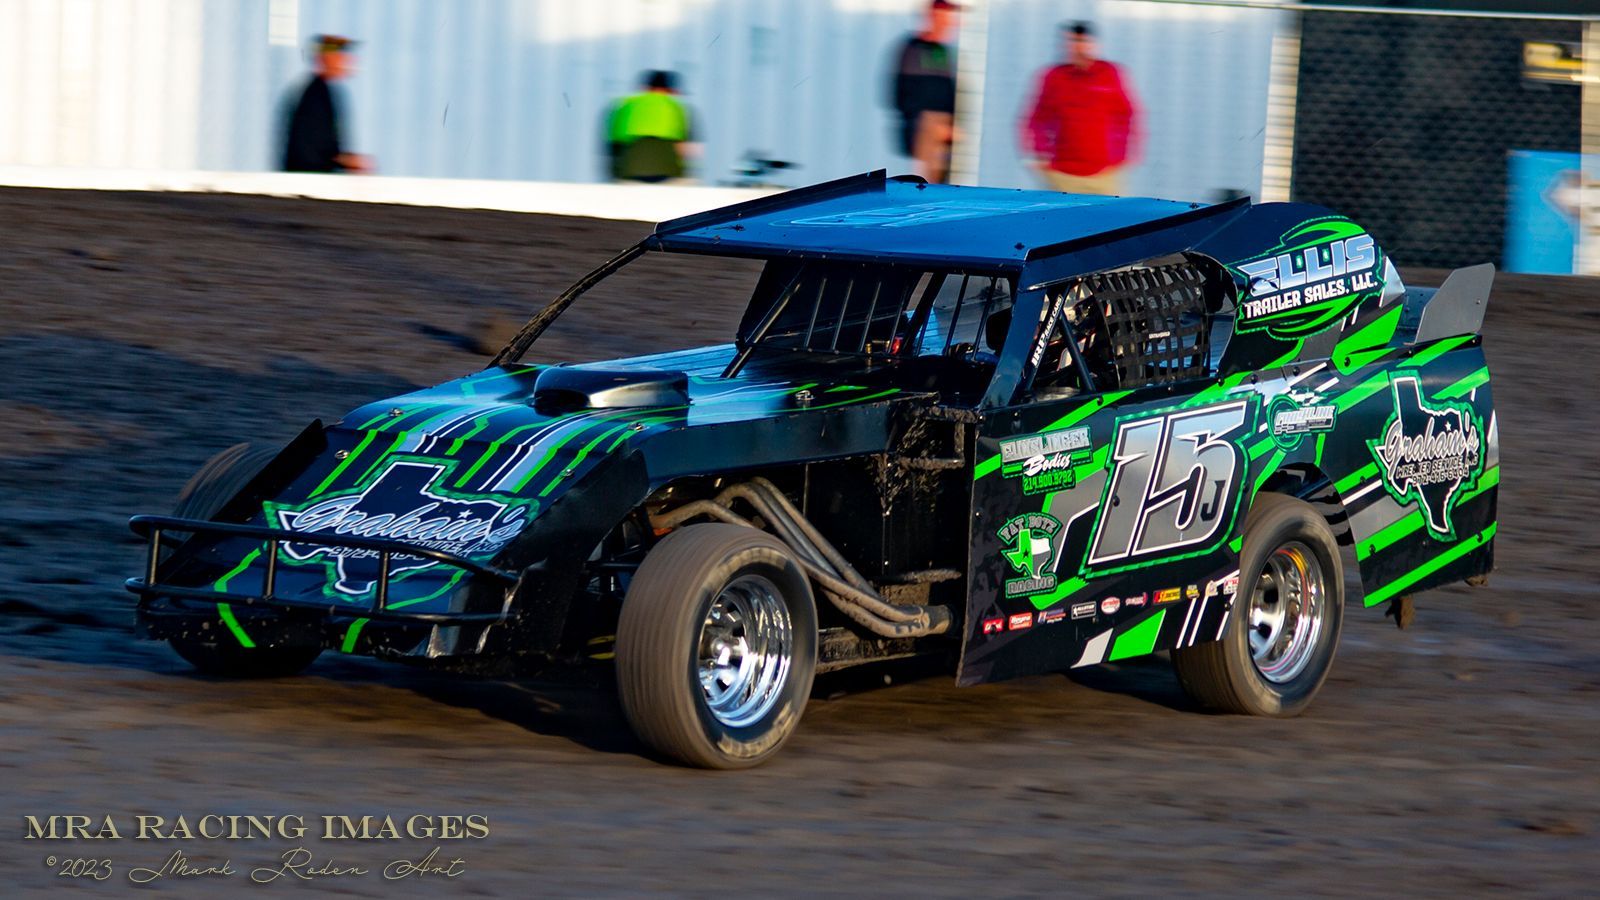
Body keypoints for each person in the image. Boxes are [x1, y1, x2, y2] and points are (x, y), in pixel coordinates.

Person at [1021, 21, 1139, 195]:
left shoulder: (1110, 74)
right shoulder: (1054, 77)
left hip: (1103, 174)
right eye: (1073, 42)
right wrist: (1039, 153)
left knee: (1111, 220)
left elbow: (1127, 115)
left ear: (1094, 45)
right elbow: (1036, 119)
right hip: (1062, 175)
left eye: (1083, 42)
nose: (1078, 48)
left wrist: (1122, 155)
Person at [889, 0, 959, 184]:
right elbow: (906, 91)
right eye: (945, 18)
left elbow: (947, 90)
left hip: (942, 125)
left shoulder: (942, 51)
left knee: (943, 177)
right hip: (926, 124)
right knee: (928, 180)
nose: (950, 24)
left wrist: (952, 122)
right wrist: (928, 123)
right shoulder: (913, 49)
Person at [282, 35, 372, 173]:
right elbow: (310, 150)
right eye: (341, 55)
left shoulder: (321, 91)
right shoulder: (315, 95)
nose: (348, 60)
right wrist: (346, 161)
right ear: (326, 59)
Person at [606, 71, 696, 183]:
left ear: (645, 87)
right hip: (667, 173)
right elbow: (685, 149)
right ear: (670, 90)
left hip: (629, 171)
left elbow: (613, 147)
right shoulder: (677, 108)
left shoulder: (623, 105)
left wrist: (615, 175)